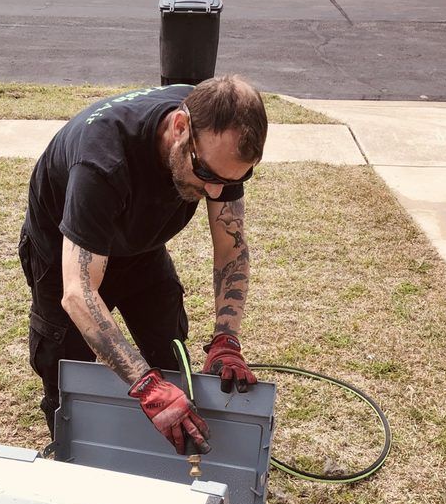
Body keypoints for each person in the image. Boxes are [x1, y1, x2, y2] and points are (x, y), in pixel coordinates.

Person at [18, 75, 267, 454]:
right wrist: (144, 385)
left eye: (234, 179)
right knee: (68, 373)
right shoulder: (101, 159)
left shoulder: (217, 139)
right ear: (180, 128)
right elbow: (78, 293)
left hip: (140, 249)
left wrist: (226, 339)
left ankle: (161, 456)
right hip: (66, 254)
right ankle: (75, 454)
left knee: (168, 352)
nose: (216, 192)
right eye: (207, 175)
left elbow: (231, 248)